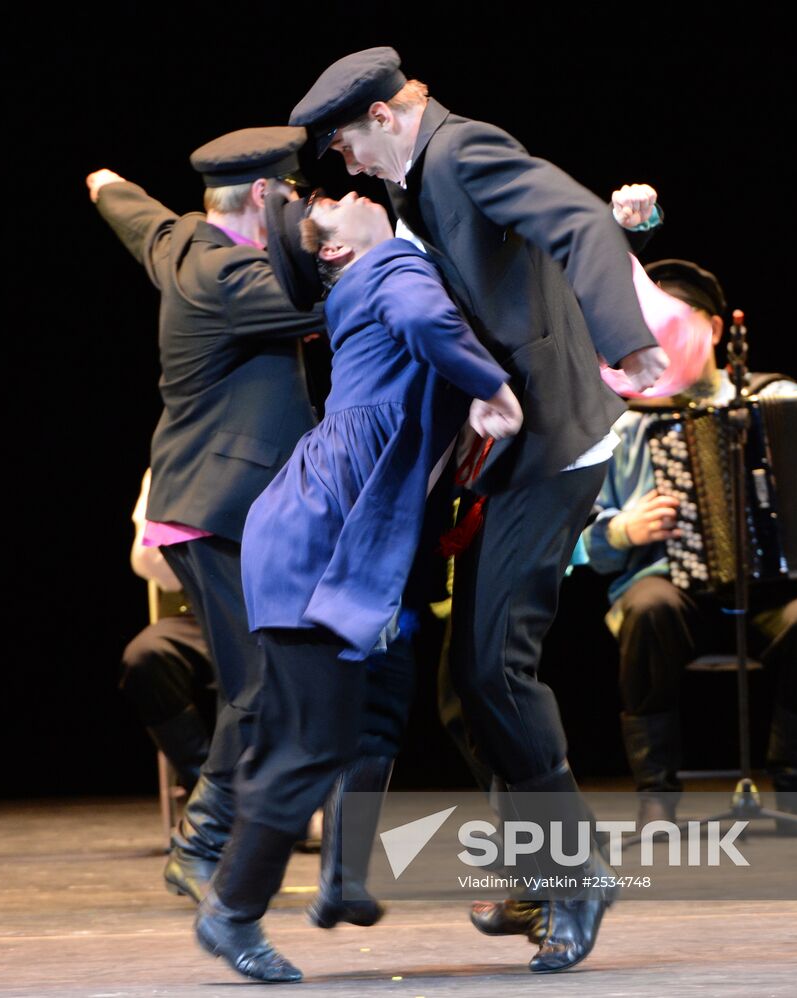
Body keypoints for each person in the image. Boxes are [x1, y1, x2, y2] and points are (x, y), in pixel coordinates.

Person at [291, 47, 667, 972]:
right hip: (508, 452)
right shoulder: (423, 182)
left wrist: (631, 341)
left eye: (344, 142)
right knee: (466, 683)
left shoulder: (460, 151)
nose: (344, 164)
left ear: (384, 117)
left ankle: (576, 874)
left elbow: (573, 218)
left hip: (555, 445)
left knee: (496, 664)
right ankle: (540, 869)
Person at [192, 187, 521, 983]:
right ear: (334, 251)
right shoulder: (387, 270)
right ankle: (233, 911)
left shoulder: (372, 276)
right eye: (328, 206)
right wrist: (494, 388)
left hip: (349, 541)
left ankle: (341, 879)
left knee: (376, 704)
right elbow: (427, 321)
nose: (339, 195)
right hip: (321, 542)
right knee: (313, 740)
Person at [576, 258, 797, 828]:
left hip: (771, 584)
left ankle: (793, 794)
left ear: (712, 329)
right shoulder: (625, 422)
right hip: (667, 585)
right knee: (647, 610)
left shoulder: (775, 396)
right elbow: (577, 537)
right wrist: (623, 529)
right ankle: (656, 795)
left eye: (671, 319)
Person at [87, 127, 326, 902]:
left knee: (272, 682)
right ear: (264, 195)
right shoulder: (235, 276)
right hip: (217, 509)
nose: (297, 209)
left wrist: (104, 184)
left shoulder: (180, 244)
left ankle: (222, 835)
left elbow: (140, 218)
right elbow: (328, 300)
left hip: (215, 507)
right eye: (290, 195)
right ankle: (200, 843)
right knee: (257, 687)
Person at [120, 469, 213, 792]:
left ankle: (289, 803)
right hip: (201, 610)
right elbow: (145, 559)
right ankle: (209, 791)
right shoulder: (172, 464)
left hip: (274, 611)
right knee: (147, 655)